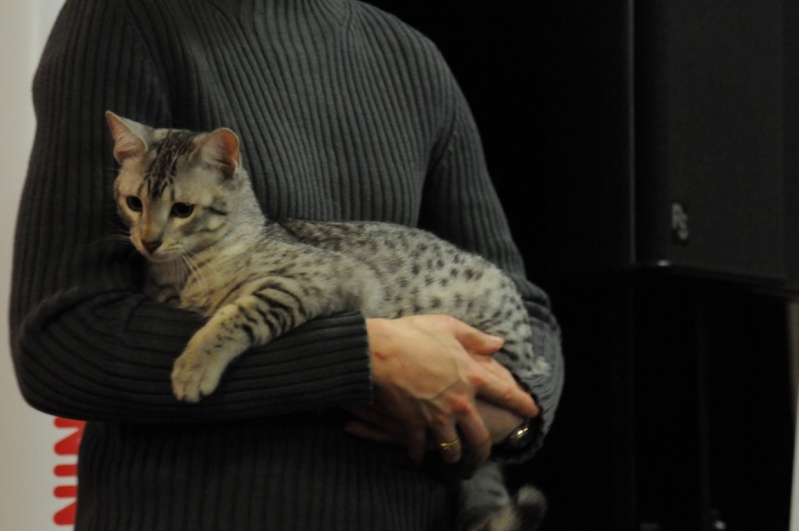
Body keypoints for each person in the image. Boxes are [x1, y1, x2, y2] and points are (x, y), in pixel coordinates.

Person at [9, 0, 564, 529]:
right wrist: (363, 358)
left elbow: (525, 312)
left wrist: (507, 418)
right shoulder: (125, 20)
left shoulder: (411, 56)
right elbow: (61, 341)